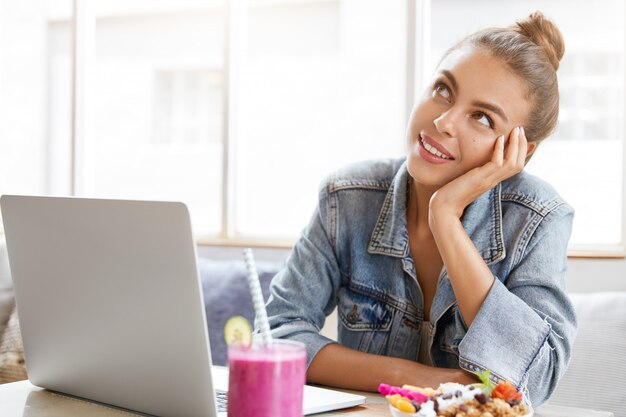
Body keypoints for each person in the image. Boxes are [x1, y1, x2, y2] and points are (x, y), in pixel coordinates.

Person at [265, 11, 576, 406]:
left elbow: (531, 379)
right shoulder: (347, 198)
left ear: (519, 151)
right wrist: (410, 377)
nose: (443, 121)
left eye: (481, 117)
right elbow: (276, 334)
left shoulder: (537, 219)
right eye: (444, 90)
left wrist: (445, 218)